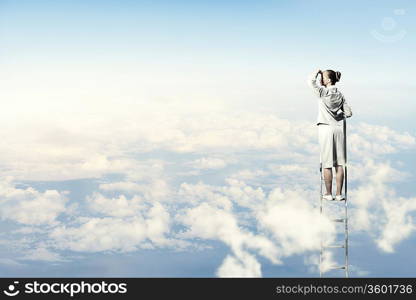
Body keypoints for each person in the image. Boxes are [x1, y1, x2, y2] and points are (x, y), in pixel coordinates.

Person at [308, 69, 352, 201]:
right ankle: (339, 194)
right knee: (339, 164)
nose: (321, 80)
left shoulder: (322, 92)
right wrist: (338, 116)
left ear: (328, 80)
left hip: (325, 130)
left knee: (327, 163)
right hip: (337, 130)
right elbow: (348, 113)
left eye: (323, 78)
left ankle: (328, 193)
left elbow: (310, 81)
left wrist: (316, 71)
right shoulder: (340, 95)